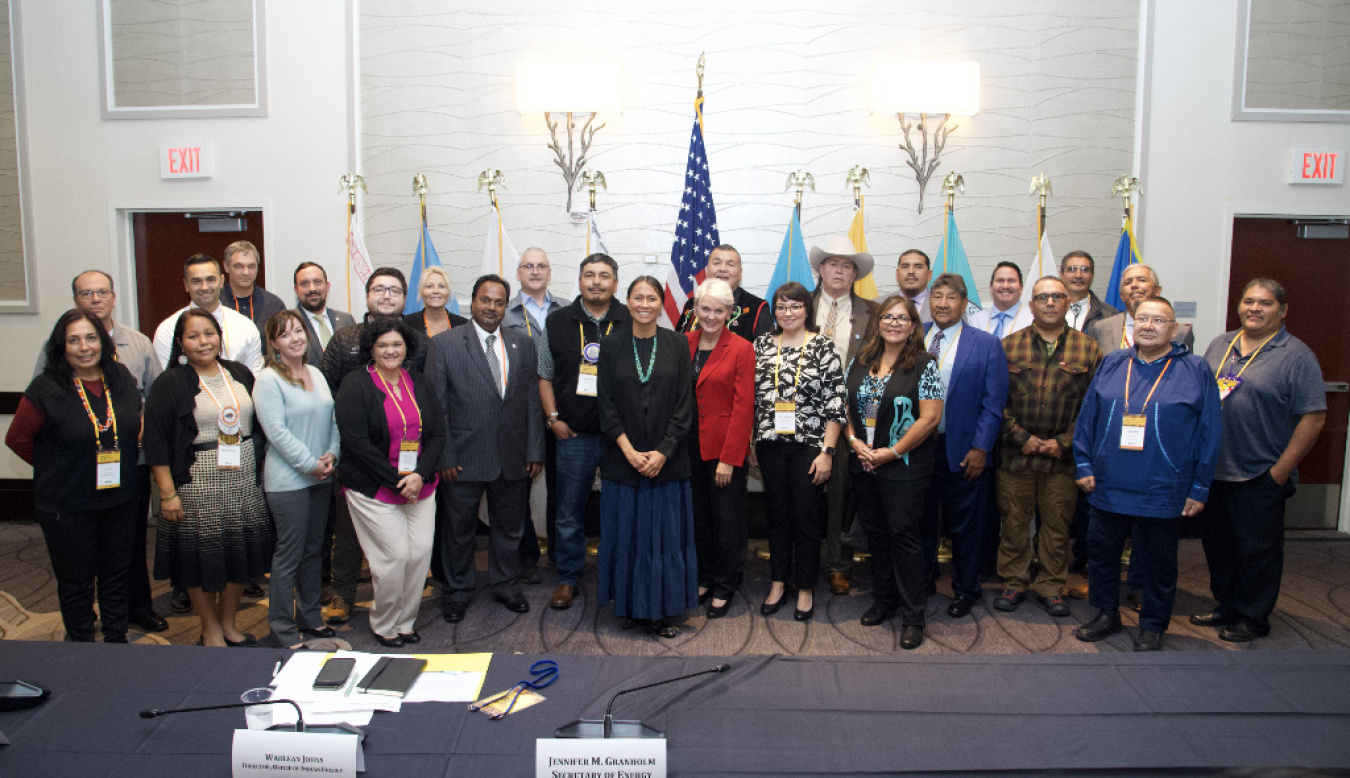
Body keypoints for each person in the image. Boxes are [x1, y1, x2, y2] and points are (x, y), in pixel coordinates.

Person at [1073, 297, 1221, 650]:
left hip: (1163, 485)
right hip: (1109, 480)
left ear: (1174, 329)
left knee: (1158, 561)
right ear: (1132, 325)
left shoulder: (1195, 369)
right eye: (1142, 319)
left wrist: (1199, 487)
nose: (1149, 326)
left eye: (1159, 320)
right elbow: (1087, 418)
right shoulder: (1112, 363)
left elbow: (1210, 432)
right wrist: (1083, 463)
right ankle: (1107, 613)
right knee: (1102, 555)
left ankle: (1153, 624)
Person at [31, 271, 167, 633]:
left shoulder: (128, 359)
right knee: (77, 573)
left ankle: (128, 620)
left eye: (101, 292)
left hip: (124, 475)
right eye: (86, 293)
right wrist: (59, 463)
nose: (84, 346)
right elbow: (23, 434)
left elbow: (150, 403)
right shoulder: (50, 371)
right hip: (71, 491)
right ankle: (81, 634)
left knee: (124, 558)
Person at [1195, 278, 1326, 642]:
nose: (1254, 308)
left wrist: (1281, 470)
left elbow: (1314, 417)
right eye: (1248, 301)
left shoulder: (1296, 355)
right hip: (1214, 469)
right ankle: (1226, 605)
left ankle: (1253, 617)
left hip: (1260, 472)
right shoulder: (1222, 343)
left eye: (1265, 303)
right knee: (1218, 545)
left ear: (1282, 311)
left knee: (1257, 552)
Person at [7, 310, 143, 642]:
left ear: (103, 341)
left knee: (116, 576)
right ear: (61, 346)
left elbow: (133, 425)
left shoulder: (120, 377)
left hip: (120, 497)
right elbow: (18, 440)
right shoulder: (46, 388)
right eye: (74, 340)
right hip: (68, 504)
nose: (84, 347)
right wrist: (59, 466)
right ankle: (81, 645)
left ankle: (115, 640)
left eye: (91, 337)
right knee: (77, 581)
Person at [144, 308, 273, 647]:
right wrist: (168, 494)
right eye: (193, 336)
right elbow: (155, 444)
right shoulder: (170, 383)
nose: (203, 341)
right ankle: (209, 628)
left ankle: (229, 624)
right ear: (181, 343)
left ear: (220, 337)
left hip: (243, 479)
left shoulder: (240, 373)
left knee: (237, 554)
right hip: (197, 481)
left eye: (209, 333)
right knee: (201, 557)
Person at [426, 275, 544, 623]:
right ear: (472, 302)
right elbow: (437, 406)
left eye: (498, 302)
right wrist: (443, 455)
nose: (491, 307)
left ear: (505, 306)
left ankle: (506, 584)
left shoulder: (522, 344)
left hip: (512, 458)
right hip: (461, 459)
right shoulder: (445, 344)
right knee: (458, 531)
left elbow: (531, 403)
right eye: (484, 300)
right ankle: (458, 590)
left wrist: (534, 450)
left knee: (509, 528)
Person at [1078, 263, 1195, 602]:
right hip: (1113, 450)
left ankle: (1144, 593)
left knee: (1153, 538)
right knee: (1105, 540)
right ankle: (1105, 605)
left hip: (1157, 454)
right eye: (1127, 282)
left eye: (1141, 280)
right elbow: (1092, 401)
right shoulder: (1102, 329)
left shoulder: (1186, 348)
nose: (1134, 286)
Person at [319, 267, 428, 624]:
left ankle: (401, 601)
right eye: (378, 289)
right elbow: (326, 388)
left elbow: (422, 391)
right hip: (357, 450)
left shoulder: (416, 338)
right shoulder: (345, 338)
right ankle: (343, 593)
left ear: (404, 297)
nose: (386, 296)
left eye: (394, 290)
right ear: (367, 295)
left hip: (406, 448)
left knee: (404, 540)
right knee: (347, 529)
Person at [994, 277, 1102, 616]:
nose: (1050, 303)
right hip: (1015, 456)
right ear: (1031, 306)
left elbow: (1093, 405)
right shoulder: (1008, 346)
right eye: (1043, 297)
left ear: (1068, 302)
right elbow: (995, 401)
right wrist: (1022, 438)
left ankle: (1051, 585)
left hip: (1063, 459)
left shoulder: (1088, 348)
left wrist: (1063, 442)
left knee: (1057, 525)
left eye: (1057, 296)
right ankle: (1013, 582)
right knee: (1013, 521)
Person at [596, 276, 697, 638]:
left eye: (651, 298)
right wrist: (627, 450)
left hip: (667, 462)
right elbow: (605, 405)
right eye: (637, 297)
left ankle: (660, 610)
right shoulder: (609, 346)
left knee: (663, 538)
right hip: (623, 460)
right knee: (628, 537)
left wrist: (664, 452)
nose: (644, 304)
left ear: (660, 303)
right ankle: (628, 604)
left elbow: (686, 404)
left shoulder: (677, 344)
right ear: (627, 301)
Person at [335, 318, 445, 647]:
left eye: (396, 344)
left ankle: (406, 621)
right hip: (375, 485)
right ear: (371, 349)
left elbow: (438, 434)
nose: (390, 350)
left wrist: (419, 476)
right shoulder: (355, 384)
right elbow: (356, 444)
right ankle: (384, 623)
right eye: (382, 345)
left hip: (419, 483)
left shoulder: (419, 382)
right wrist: (399, 482)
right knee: (394, 555)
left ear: (406, 348)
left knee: (420, 553)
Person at [845, 296, 944, 649]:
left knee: (903, 537)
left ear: (913, 324)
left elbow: (930, 418)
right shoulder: (862, 360)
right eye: (888, 316)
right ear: (878, 323)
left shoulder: (923, 364)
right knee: (876, 536)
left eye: (903, 318)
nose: (894, 323)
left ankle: (913, 614)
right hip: (865, 463)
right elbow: (846, 409)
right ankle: (884, 599)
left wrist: (893, 452)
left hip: (903, 467)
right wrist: (855, 442)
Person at [539, 254, 630, 611]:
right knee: (568, 511)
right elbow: (544, 374)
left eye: (604, 276)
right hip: (572, 435)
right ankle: (568, 578)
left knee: (619, 509)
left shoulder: (629, 320)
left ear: (615, 283)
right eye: (589, 275)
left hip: (619, 439)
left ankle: (618, 573)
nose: (596, 282)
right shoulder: (558, 321)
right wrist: (553, 419)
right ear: (579, 282)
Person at [751, 282, 845, 621]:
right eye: (781, 306)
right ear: (774, 311)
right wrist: (750, 442)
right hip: (769, 444)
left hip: (810, 446)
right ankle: (778, 581)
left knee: (805, 518)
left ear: (807, 309)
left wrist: (828, 451)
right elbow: (752, 399)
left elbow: (836, 403)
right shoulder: (761, 345)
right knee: (777, 516)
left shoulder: (822, 346)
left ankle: (804, 587)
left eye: (795, 306)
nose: (787, 312)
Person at [920, 274, 1008, 618]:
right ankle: (924, 580)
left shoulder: (985, 344)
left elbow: (993, 402)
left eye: (950, 298)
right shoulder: (915, 335)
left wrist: (981, 448)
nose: (942, 303)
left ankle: (966, 589)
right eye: (937, 296)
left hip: (964, 450)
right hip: (918, 449)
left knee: (965, 526)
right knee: (922, 521)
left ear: (964, 303)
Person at [253, 310, 341, 649]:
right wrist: (310, 464)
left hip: (321, 474)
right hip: (289, 480)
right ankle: (282, 628)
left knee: (314, 550)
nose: (296, 338)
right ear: (274, 343)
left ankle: (311, 618)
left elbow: (332, 419)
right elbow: (276, 432)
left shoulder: (316, 373)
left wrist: (332, 455)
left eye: (299, 330)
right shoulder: (268, 380)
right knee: (289, 553)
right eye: (286, 334)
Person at [808, 235, 879, 596]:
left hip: (849, 417)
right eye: (833, 263)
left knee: (840, 493)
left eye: (847, 265)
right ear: (820, 270)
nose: (839, 270)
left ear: (855, 274)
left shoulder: (874, 312)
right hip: (800, 415)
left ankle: (838, 564)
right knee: (799, 490)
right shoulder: (797, 305)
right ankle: (799, 562)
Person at [685, 279, 755, 619]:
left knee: (727, 522)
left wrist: (729, 459)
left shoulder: (742, 348)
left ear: (730, 312)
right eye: (705, 308)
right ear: (695, 309)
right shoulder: (683, 342)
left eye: (719, 310)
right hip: (689, 450)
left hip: (724, 450)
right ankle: (703, 576)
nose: (711, 316)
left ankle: (725, 584)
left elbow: (744, 409)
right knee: (699, 520)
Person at [504, 247, 562, 584]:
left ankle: (558, 554)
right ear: (519, 273)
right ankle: (525, 555)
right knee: (517, 490)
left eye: (541, 266)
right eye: (528, 266)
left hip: (557, 413)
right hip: (519, 414)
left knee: (560, 487)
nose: (535, 271)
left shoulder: (566, 309)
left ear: (550, 272)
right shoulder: (504, 312)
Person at [153, 254, 264, 375]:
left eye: (210, 280)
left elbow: (254, 378)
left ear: (221, 281)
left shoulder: (245, 326)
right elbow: (166, 381)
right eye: (197, 281)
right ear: (186, 285)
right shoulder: (168, 329)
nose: (204, 287)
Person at [675, 244, 774, 341]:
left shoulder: (756, 308)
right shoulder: (692, 304)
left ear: (740, 273)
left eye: (730, 264)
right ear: (706, 270)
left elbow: (767, 352)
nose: (723, 269)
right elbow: (677, 344)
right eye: (717, 263)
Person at [293, 262, 356, 367]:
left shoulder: (346, 320)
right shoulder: (289, 323)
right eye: (304, 283)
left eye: (317, 282)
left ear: (327, 286)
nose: (312, 289)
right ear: (296, 290)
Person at [220, 241, 287, 331]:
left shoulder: (274, 305)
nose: (246, 272)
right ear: (226, 267)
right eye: (239, 266)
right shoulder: (215, 302)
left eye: (251, 266)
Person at [966, 261, 1032, 338]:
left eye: (1011, 281)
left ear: (1021, 288)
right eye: (1000, 281)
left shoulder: (1032, 320)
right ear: (991, 287)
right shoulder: (976, 321)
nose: (1005, 286)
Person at [1059, 251, 1118, 333]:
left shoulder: (1109, 314)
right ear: (1061, 275)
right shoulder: (1050, 310)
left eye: (1084, 270)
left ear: (1092, 275)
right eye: (1072, 269)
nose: (1078, 275)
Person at [404, 265, 467, 337]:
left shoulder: (463, 325)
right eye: (429, 286)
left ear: (449, 292)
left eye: (442, 286)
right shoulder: (407, 325)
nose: (436, 291)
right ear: (421, 293)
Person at [896, 249, 934, 324]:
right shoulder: (877, 305)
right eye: (905, 267)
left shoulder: (945, 306)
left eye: (918, 267)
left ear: (929, 275)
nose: (911, 272)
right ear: (897, 274)